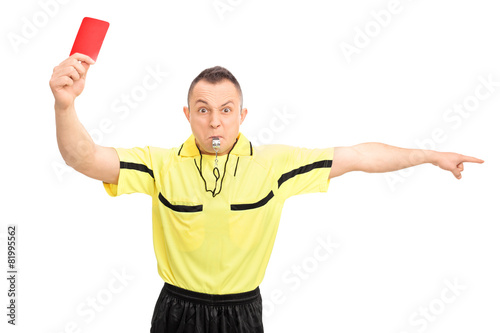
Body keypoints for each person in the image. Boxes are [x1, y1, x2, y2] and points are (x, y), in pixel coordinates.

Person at [49, 53, 484, 333]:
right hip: (177, 311)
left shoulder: (273, 165)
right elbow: (83, 158)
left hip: (242, 312)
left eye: (225, 110)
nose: (214, 122)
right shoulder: (160, 164)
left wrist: (430, 155)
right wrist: (65, 105)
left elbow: (358, 156)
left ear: (242, 114)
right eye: (203, 111)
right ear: (187, 115)